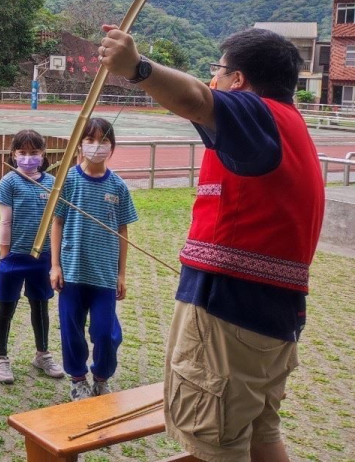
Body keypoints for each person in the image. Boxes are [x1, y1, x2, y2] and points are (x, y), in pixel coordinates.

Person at [98, 25, 324, 462]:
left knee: (212, 445)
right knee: (260, 433)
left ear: (239, 80)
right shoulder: (285, 126)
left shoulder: (259, 116)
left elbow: (196, 101)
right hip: (271, 318)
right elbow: (202, 103)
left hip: (229, 314)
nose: (212, 80)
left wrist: (137, 68)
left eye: (218, 71)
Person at [50, 118, 138, 401]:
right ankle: (77, 379)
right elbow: (57, 223)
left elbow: (123, 231)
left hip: (104, 275)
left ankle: (101, 376)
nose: (96, 146)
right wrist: (55, 265)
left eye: (103, 141)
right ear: (80, 144)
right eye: (90, 140)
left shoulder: (119, 187)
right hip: (73, 272)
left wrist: (122, 274)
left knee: (106, 333)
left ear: (112, 147)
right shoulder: (68, 180)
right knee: (71, 330)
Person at [0, 130, 65, 384]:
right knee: (6, 306)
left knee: (40, 305)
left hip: (43, 257)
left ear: (43, 155)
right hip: (14, 256)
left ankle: (42, 354)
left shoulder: (52, 181)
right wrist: (4, 255)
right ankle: (0, 358)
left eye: (34, 152)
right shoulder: (9, 181)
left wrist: (55, 258)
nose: (28, 158)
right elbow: (5, 221)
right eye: (22, 153)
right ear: (14, 155)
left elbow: (58, 222)